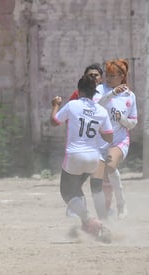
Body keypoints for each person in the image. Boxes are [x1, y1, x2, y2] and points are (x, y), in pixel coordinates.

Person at [50, 75, 113, 243]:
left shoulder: (73, 105)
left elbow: (55, 121)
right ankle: (88, 225)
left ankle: (90, 221)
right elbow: (109, 137)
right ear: (94, 93)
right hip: (93, 157)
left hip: (75, 156)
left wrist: (55, 105)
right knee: (76, 188)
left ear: (79, 91)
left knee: (66, 192)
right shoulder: (101, 111)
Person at [68, 63, 112, 220]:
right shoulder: (78, 96)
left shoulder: (109, 92)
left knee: (97, 186)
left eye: (96, 75)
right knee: (76, 184)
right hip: (84, 147)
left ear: (101, 78)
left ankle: (103, 217)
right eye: (90, 75)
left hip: (100, 148)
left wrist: (109, 148)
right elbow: (71, 119)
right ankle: (83, 215)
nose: (93, 77)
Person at [97, 59, 138, 219]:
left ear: (122, 76)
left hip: (120, 140)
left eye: (112, 76)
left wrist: (122, 120)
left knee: (111, 165)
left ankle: (121, 204)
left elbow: (133, 123)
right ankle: (104, 211)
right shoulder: (101, 89)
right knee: (101, 178)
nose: (108, 78)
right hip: (101, 140)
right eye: (107, 75)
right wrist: (113, 93)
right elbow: (98, 105)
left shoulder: (130, 96)